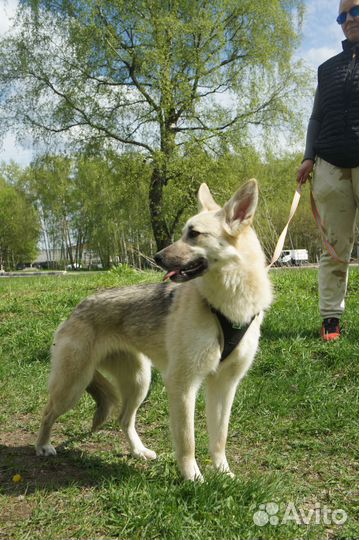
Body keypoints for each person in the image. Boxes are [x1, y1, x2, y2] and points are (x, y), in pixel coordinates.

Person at [297, 0, 359, 341]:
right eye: (342, 15)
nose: (348, 19)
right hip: (331, 164)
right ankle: (331, 318)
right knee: (335, 246)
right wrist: (309, 157)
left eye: (355, 11)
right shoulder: (327, 68)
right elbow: (316, 116)